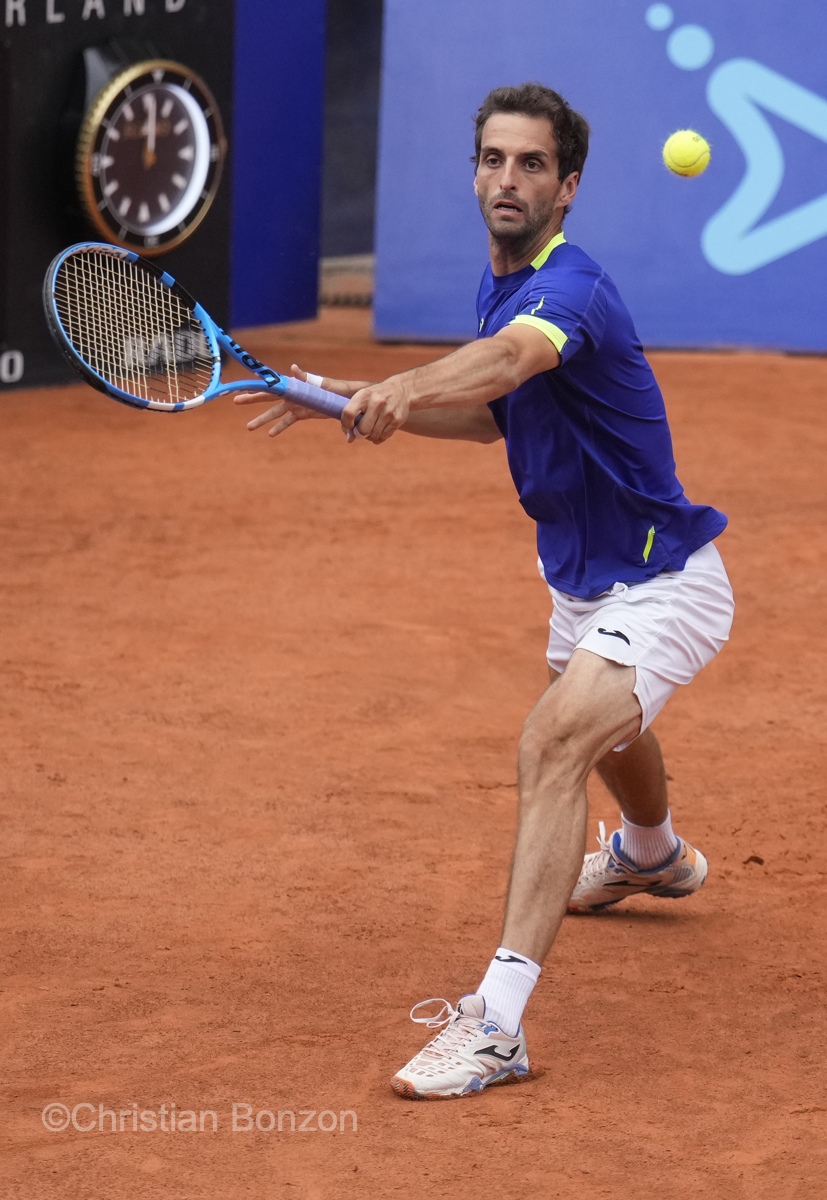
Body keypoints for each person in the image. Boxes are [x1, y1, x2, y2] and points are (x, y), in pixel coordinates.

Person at [233, 82, 734, 1101]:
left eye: (532, 164)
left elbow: (507, 363)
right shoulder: (496, 286)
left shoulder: (568, 290)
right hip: (582, 581)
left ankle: (496, 1027)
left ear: (568, 187)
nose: (509, 179)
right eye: (494, 160)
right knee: (608, 727)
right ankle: (650, 854)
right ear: (473, 173)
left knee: (553, 742)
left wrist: (405, 383)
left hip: (664, 577)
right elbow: (499, 415)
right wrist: (338, 399)